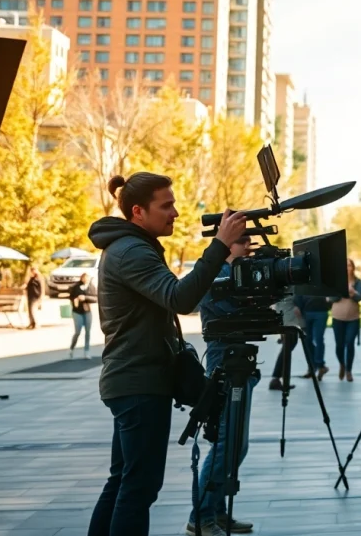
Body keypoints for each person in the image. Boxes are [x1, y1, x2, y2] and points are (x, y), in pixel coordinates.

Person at [86, 173, 246, 536]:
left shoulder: (131, 245)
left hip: (134, 381)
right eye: (166, 205)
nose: (174, 212)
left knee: (124, 481)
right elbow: (180, 298)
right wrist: (220, 245)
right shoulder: (131, 251)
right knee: (139, 488)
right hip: (139, 383)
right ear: (138, 211)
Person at [185, 234, 257, 536]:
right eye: (245, 242)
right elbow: (227, 311)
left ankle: (216, 510)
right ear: (230, 244)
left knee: (237, 444)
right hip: (224, 358)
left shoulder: (238, 272)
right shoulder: (216, 273)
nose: (249, 248)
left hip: (240, 356)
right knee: (226, 441)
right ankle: (200, 518)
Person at [328, 258, 361, 382]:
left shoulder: (358, 282)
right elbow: (331, 298)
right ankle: (342, 364)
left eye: (349, 265)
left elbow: (360, 298)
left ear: (352, 267)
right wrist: (342, 291)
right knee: (339, 345)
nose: (347, 268)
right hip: (338, 318)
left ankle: (349, 370)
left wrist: (353, 293)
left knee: (350, 343)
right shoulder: (337, 282)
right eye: (345, 266)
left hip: (353, 318)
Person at [268, 290, 303, 391]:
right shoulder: (289, 287)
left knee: (287, 349)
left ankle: (277, 378)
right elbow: (296, 299)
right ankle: (277, 379)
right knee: (286, 349)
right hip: (288, 320)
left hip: (285, 318)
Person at [294, 294, 331, 380]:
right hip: (306, 312)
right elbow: (298, 292)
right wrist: (297, 306)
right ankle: (313, 367)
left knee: (318, 339)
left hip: (321, 312)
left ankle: (320, 364)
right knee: (307, 340)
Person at [69, 273, 98, 359]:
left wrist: (85, 298)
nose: (86, 280)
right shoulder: (76, 287)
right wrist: (76, 299)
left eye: (87, 279)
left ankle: (86, 350)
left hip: (87, 311)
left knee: (88, 332)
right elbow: (71, 297)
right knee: (77, 332)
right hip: (77, 311)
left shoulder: (91, 287)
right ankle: (72, 348)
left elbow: (95, 298)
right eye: (84, 279)